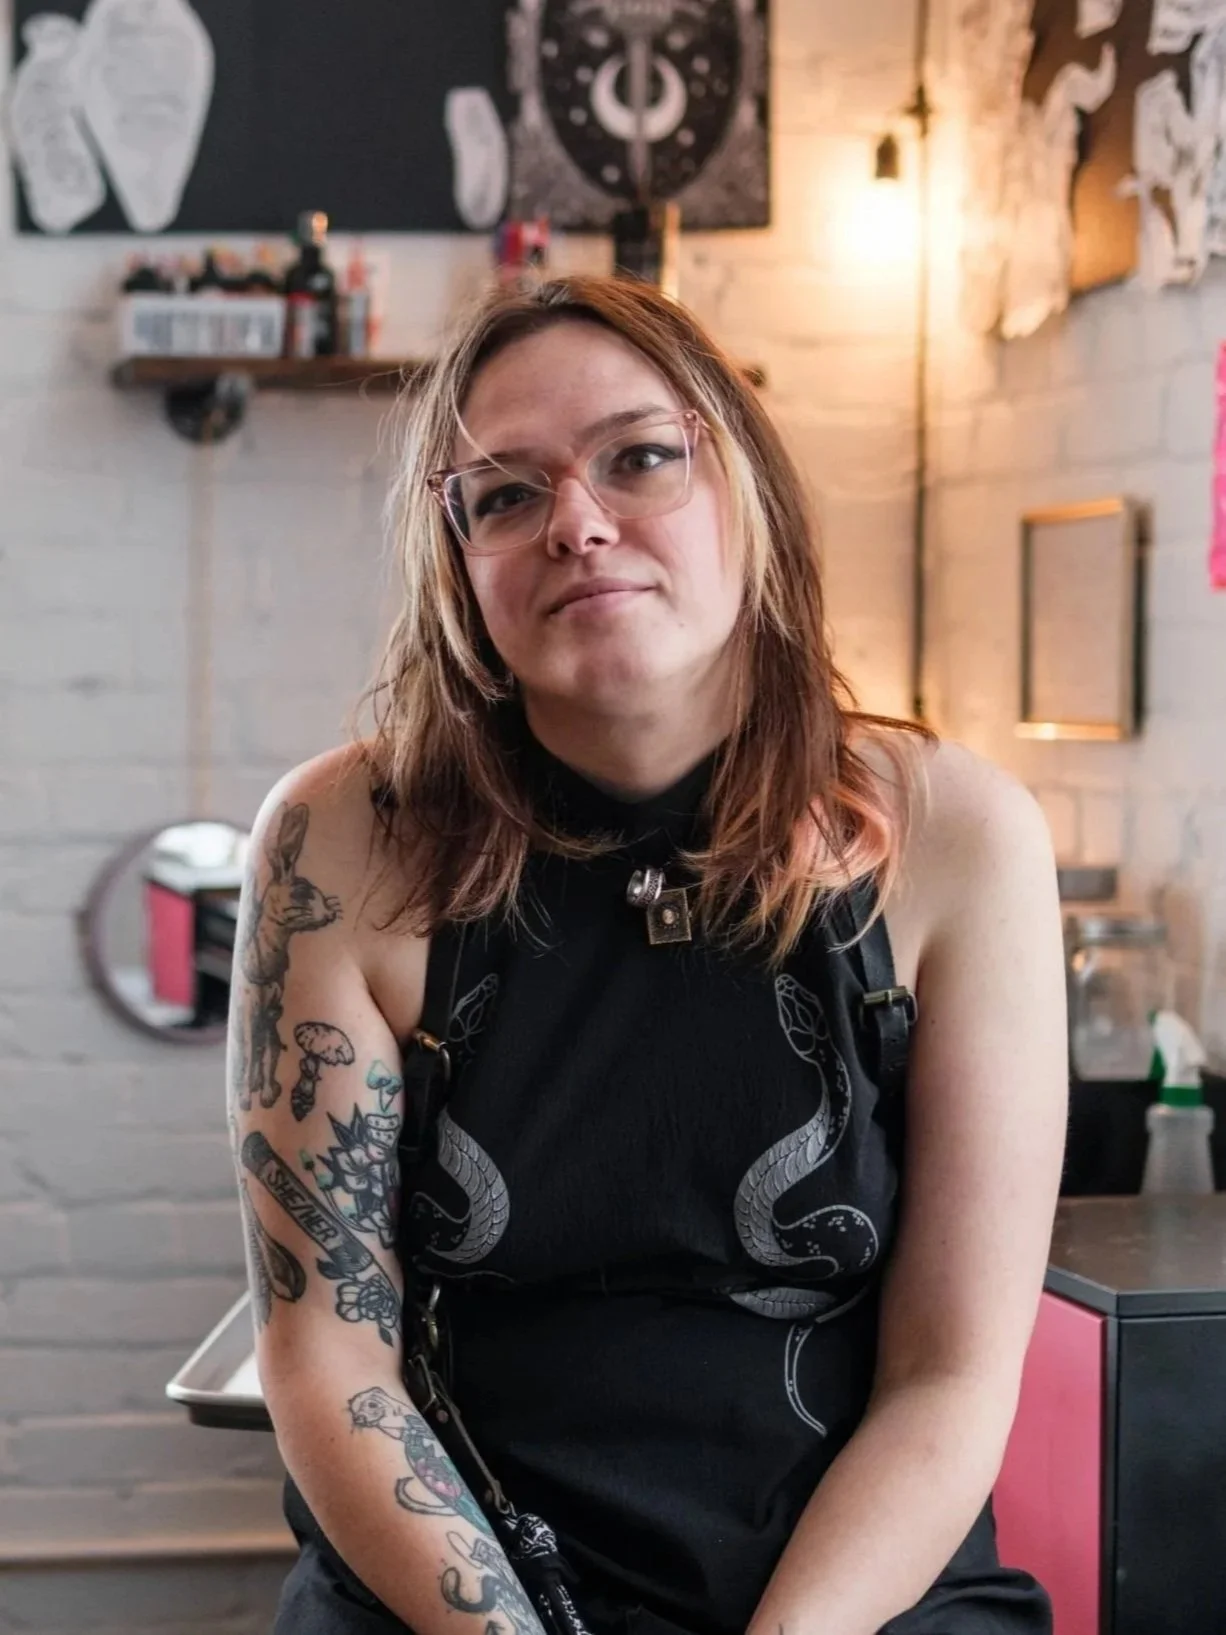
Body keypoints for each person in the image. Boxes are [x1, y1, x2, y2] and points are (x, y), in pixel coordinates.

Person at [228, 274, 1068, 1635]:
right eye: (504, 493)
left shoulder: (956, 835)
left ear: (746, 491)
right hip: (454, 1595)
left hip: (852, 1595)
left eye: (641, 457)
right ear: (457, 564)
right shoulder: (337, 840)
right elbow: (328, 1349)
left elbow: (948, 1374)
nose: (577, 520)